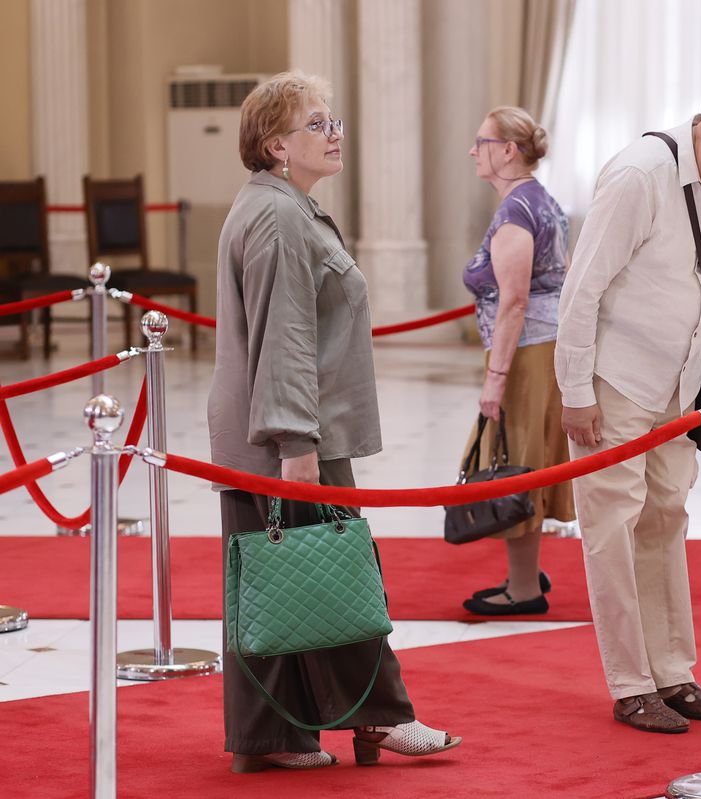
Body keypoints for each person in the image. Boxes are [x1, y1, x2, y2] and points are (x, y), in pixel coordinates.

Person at [207, 71, 461, 772]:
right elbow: (286, 336)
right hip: (285, 435)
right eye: (317, 124)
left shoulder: (277, 205)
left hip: (269, 432)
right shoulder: (281, 216)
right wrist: (297, 445)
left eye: (334, 120)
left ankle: (274, 736)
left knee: (276, 580)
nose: (334, 132)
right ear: (276, 144)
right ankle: (384, 718)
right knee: (337, 578)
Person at [555, 76, 701, 733]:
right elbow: (582, 288)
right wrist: (574, 390)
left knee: (666, 518)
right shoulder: (638, 176)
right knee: (612, 526)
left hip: (680, 382)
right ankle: (632, 684)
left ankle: (674, 673)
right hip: (614, 382)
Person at [459, 106, 575, 616]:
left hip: (527, 353)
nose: (472, 150)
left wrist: (496, 377)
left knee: (515, 465)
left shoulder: (515, 211)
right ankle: (524, 575)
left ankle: (524, 589)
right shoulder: (540, 200)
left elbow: (514, 300)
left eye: (481, 141)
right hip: (544, 349)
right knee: (527, 460)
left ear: (508, 150)